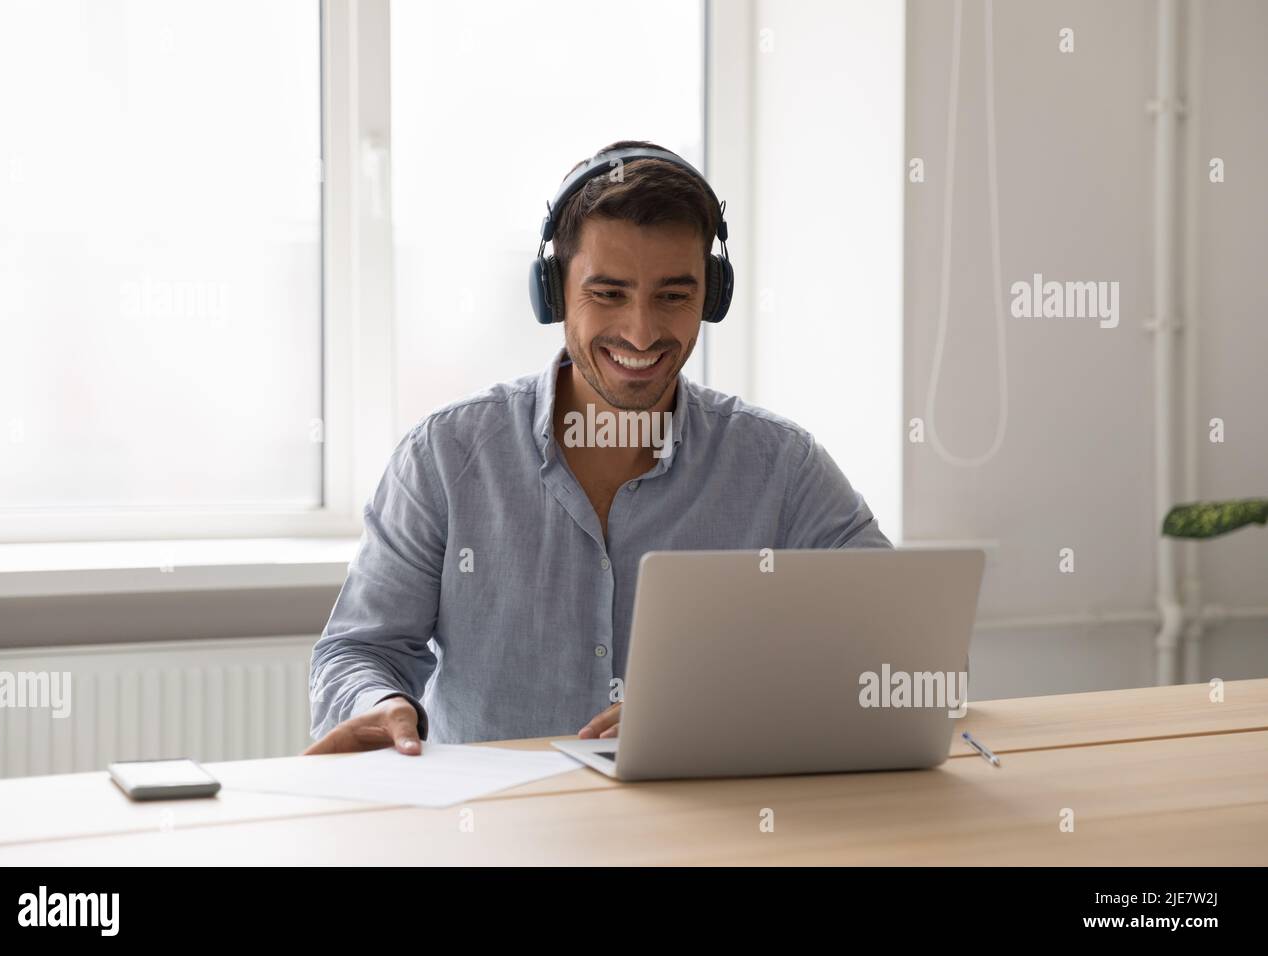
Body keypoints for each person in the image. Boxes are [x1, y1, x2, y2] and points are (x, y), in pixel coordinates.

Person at [306, 140, 890, 756]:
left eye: (673, 295)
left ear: (711, 297)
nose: (641, 331)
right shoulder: (446, 456)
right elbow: (358, 650)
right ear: (554, 293)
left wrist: (727, 700)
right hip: (501, 836)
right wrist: (382, 703)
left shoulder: (780, 467)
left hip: (701, 835)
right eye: (608, 293)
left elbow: (899, 648)